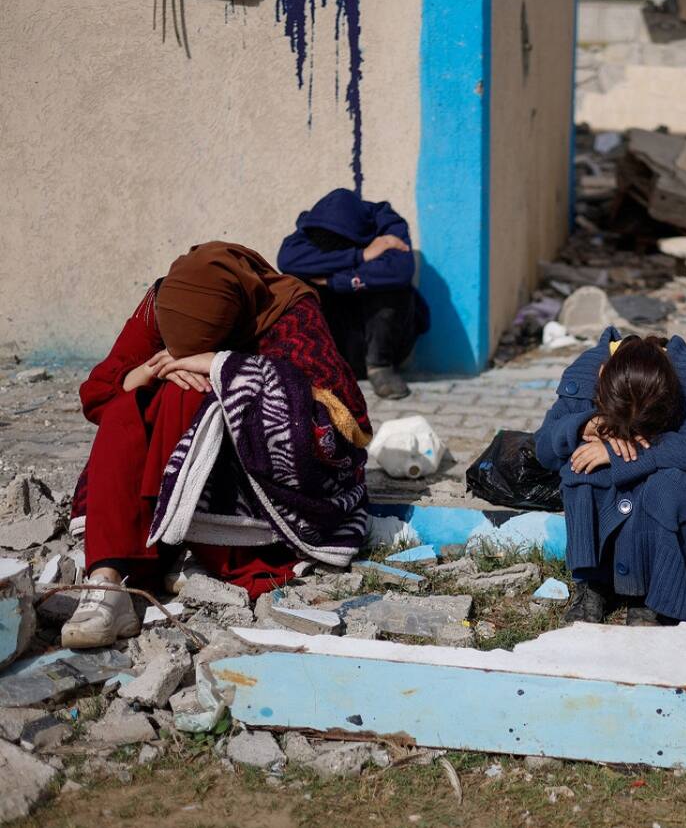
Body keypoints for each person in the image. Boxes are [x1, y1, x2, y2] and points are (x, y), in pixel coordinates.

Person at [64, 242, 371, 648]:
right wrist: (147, 371)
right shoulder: (161, 305)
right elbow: (98, 391)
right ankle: (108, 578)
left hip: (250, 474)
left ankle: (189, 548)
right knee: (129, 407)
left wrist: (224, 368)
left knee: (191, 397)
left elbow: (344, 420)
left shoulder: (288, 309)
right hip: (167, 449)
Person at [534, 328, 686, 625]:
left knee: (667, 486)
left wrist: (627, 451)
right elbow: (544, 447)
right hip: (610, 488)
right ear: (600, 376)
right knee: (581, 466)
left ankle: (653, 594)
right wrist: (580, 426)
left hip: (659, 482)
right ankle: (592, 584)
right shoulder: (586, 371)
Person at [277, 188, 430, 399]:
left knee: (393, 287)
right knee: (298, 284)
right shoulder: (313, 225)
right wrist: (361, 255)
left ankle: (380, 367)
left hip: (382, 340)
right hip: (337, 339)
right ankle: (320, 365)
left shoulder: (386, 223)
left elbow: (399, 271)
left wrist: (334, 280)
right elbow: (288, 260)